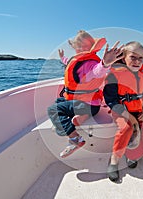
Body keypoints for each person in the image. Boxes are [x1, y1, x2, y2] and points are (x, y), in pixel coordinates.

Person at [47, 30, 124, 158]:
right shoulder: (78, 60)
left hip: (86, 104)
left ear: (91, 47)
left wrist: (105, 64)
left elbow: (97, 71)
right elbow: (68, 61)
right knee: (59, 101)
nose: (80, 48)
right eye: (78, 46)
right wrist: (62, 57)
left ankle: (75, 139)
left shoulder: (90, 63)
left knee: (53, 110)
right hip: (90, 104)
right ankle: (82, 116)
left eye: (84, 46)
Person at [103, 41, 143, 182]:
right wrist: (130, 118)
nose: (137, 61)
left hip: (138, 111)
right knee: (127, 128)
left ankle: (130, 151)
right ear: (124, 58)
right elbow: (111, 100)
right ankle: (114, 160)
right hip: (120, 111)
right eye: (133, 57)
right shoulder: (114, 76)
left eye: (141, 58)